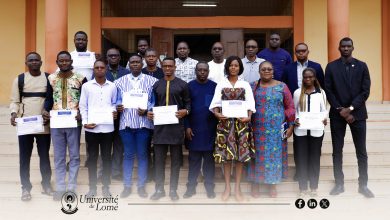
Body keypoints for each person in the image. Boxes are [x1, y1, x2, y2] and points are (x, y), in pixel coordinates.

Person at [324, 37, 374, 198]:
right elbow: (329, 90)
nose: (345, 49)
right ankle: (339, 183)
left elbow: (365, 91)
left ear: (353, 48)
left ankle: (363, 184)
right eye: (343, 46)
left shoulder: (362, 66)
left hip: (357, 114)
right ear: (339, 48)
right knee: (337, 151)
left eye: (348, 46)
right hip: (338, 115)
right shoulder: (331, 67)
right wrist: (341, 110)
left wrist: (351, 109)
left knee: (361, 151)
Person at [209, 56, 256, 202]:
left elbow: (250, 104)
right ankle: (227, 187)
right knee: (227, 158)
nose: (233, 68)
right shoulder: (221, 84)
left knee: (240, 158)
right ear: (227, 67)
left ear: (240, 67)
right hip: (225, 125)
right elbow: (215, 103)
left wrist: (249, 117)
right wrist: (217, 113)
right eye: (231, 65)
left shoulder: (245, 84)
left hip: (242, 124)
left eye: (236, 65)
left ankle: (237, 189)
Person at [43, 51, 87, 201]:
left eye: (66, 60)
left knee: (74, 155)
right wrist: (45, 110)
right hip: (56, 123)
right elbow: (49, 99)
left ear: (71, 61)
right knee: (59, 156)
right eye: (61, 61)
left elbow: (85, 100)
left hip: (74, 122)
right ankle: (60, 187)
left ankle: (71, 187)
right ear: (57, 62)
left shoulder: (81, 79)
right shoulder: (51, 78)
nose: (63, 63)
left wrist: (82, 112)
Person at [247, 61, 295, 198]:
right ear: (259, 71)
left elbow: (290, 107)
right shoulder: (253, 86)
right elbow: (246, 105)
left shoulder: (282, 86)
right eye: (263, 69)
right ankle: (255, 184)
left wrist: (291, 126)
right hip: (256, 129)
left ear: (273, 71)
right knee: (256, 156)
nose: (266, 71)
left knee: (274, 157)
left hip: (276, 130)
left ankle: (272, 185)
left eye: (269, 69)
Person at [10, 52, 53, 201]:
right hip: (25, 125)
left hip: (43, 125)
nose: (34, 62)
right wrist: (13, 114)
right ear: (26, 63)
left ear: (41, 62)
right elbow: (14, 101)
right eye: (31, 60)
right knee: (24, 158)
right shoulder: (20, 79)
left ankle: (47, 184)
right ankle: (25, 188)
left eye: (36, 60)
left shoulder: (49, 78)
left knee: (45, 157)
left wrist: (48, 112)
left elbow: (51, 99)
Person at [147, 57, 191, 201]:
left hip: (176, 128)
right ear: (162, 66)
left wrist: (186, 111)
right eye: (165, 66)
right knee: (159, 161)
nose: (167, 69)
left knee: (176, 161)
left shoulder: (183, 85)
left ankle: (173, 189)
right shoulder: (156, 85)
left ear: (175, 67)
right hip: (159, 129)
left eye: (170, 66)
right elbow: (151, 103)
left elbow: (188, 104)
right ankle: (159, 189)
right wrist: (149, 112)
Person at [115, 54, 158, 198]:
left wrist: (148, 109)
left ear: (142, 64)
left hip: (143, 125)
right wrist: (118, 107)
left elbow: (154, 102)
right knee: (127, 155)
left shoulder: (152, 81)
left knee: (143, 155)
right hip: (126, 124)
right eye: (132, 62)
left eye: (137, 62)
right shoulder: (119, 82)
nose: (135, 64)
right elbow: (115, 100)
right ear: (129, 64)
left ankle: (141, 186)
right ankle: (127, 186)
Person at [282, 43, 325, 181]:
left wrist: (322, 117)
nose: (301, 53)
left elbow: (321, 87)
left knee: (313, 148)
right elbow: (285, 89)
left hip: (314, 113)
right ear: (295, 53)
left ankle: (312, 174)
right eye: (298, 51)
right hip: (299, 110)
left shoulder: (317, 66)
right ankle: (300, 173)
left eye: (303, 51)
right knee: (299, 147)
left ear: (308, 51)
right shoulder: (288, 68)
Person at [79, 60, 117, 198]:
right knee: (92, 159)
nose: (100, 69)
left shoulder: (112, 86)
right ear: (93, 70)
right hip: (91, 129)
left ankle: (106, 187)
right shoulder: (87, 86)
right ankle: (92, 188)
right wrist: (85, 122)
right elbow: (83, 106)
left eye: (102, 67)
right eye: (97, 67)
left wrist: (113, 111)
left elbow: (113, 103)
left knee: (107, 159)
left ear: (106, 69)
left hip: (107, 129)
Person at [183, 61, 217, 199]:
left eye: (205, 70)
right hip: (194, 129)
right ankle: (191, 187)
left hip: (210, 129)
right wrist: (187, 127)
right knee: (194, 161)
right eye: (199, 70)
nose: (202, 72)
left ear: (208, 71)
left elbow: (218, 108)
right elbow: (185, 108)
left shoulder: (214, 86)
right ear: (195, 71)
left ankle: (210, 187)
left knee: (209, 161)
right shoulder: (189, 86)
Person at [293, 68, 327, 197]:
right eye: (305, 77)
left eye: (310, 77)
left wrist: (324, 119)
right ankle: (302, 188)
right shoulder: (297, 93)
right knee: (301, 158)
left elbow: (324, 110)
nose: (308, 79)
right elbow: (295, 109)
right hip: (300, 130)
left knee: (314, 158)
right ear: (302, 78)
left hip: (316, 130)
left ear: (314, 78)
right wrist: (296, 119)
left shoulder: (321, 93)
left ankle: (314, 187)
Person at [105, 48, 130, 180]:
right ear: (107, 58)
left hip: (122, 114)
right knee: (105, 144)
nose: (113, 57)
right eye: (110, 55)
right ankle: (104, 172)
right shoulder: (100, 70)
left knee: (119, 144)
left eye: (116, 55)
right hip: (105, 114)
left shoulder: (127, 72)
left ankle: (115, 172)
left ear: (120, 58)